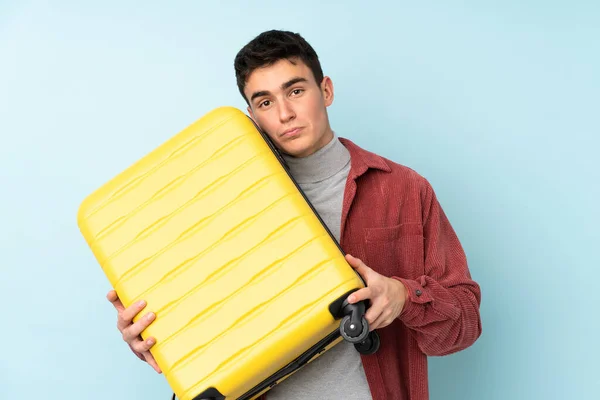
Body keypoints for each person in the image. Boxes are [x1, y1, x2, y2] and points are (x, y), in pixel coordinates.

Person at [107, 29, 482, 400]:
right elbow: (207, 326)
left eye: (296, 91)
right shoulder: (213, 207)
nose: (285, 113)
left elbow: (465, 324)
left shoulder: (403, 189)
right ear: (251, 116)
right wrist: (154, 337)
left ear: (327, 91)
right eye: (265, 102)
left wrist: (403, 295)